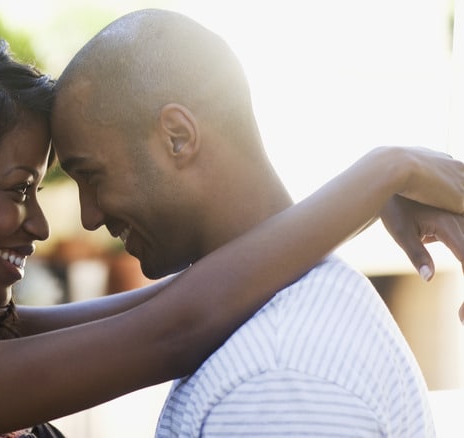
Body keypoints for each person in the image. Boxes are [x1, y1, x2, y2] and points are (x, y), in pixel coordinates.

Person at [0, 25, 464, 438]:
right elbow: (177, 327)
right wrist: (385, 171)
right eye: (20, 190)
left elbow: (185, 297)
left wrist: (365, 202)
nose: (42, 224)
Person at [50, 8, 463, 437]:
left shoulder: (277, 378)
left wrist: (383, 179)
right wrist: (379, 183)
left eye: (92, 177)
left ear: (178, 137)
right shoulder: (272, 339)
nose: (88, 217)